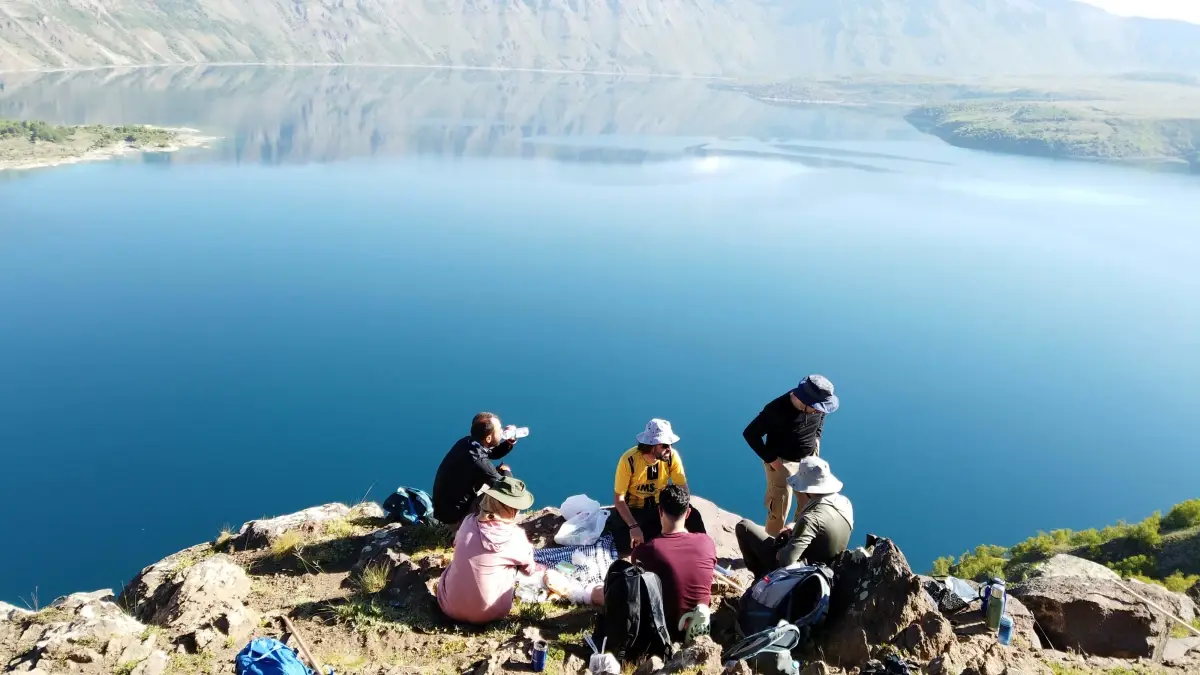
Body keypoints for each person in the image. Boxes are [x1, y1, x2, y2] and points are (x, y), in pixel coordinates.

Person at [743, 374, 840, 536]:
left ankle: (795, 538)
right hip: (782, 462)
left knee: (809, 503)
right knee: (779, 506)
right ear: (805, 401)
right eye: (817, 407)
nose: (819, 411)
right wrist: (773, 461)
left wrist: (816, 440)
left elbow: (820, 419)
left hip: (809, 459)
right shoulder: (776, 410)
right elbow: (750, 433)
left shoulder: (818, 407)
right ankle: (772, 543)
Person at [436, 476, 537, 624]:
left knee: (457, 564)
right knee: (510, 567)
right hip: (491, 613)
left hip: (449, 606)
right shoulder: (515, 536)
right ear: (512, 510)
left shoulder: (468, 521)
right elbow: (529, 570)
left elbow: (456, 543)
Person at [735, 456, 854, 580]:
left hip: (800, 573)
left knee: (744, 526)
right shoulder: (845, 503)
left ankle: (762, 576)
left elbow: (786, 561)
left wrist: (782, 549)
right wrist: (793, 527)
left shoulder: (810, 519)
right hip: (825, 568)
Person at [631, 484, 717, 640]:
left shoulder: (645, 551)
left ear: (660, 511)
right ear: (688, 513)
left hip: (665, 625)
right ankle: (695, 618)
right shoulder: (707, 542)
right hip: (700, 612)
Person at [611, 418, 706, 555]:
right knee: (626, 545)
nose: (669, 449)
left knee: (693, 517)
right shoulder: (629, 460)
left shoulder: (672, 457)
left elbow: (682, 487)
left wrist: (679, 514)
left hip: (660, 509)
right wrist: (633, 526)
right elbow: (619, 499)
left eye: (670, 445)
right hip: (634, 510)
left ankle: (703, 551)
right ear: (652, 445)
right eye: (665, 445)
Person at [432, 412, 519, 525]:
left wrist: (509, 442)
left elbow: (490, 453)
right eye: (499, 430)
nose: (502, 431)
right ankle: (464, 526)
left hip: (444, 509)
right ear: (488, 438)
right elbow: (507, 488)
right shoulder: (478, 461)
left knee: (491, 477)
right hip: (455, 516)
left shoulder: (467, 442)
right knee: (504, 500)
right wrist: (507, 471)